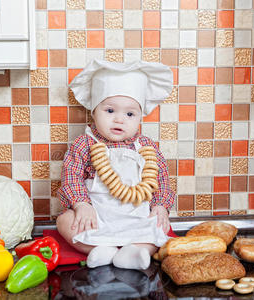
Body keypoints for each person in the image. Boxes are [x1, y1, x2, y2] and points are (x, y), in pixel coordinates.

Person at [56, 59, 175, 270]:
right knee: (65, 221)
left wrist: (160, 206)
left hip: (136, 216)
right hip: (96, 216)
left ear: (139, 117)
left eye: (130, 114)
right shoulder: (85, 144)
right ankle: (100, 250)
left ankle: (135, 253)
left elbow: (161, 178)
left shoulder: (146, 146)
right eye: (110, 111)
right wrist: (81, 205)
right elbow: (71, 176)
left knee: (158, 228)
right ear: (94, 111)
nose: (119, 119)